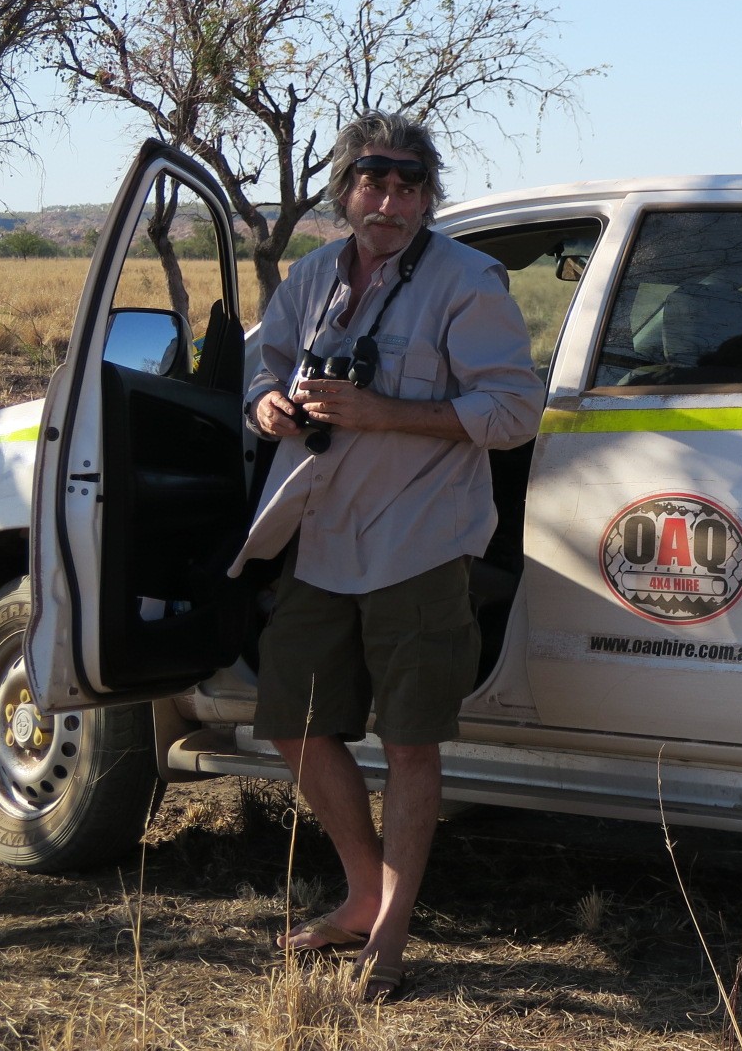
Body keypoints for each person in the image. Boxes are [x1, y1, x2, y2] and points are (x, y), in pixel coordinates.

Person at [231, 111, 542, 1002]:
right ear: (345, 191)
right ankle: (365, 890)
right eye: (374, 181)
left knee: (409, 744)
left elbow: (514, 414)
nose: (391, 199)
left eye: (410, 184)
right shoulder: (313, 277)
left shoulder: (467, 281)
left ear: (428, 196)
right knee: (290, 719)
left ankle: (391, 939)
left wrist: (383, 414)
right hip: (322, 535)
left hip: (420, 541)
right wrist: (266, 407)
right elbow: (268, 365)